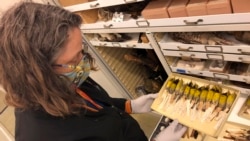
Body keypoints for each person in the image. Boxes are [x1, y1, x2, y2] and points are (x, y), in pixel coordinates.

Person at [0, 2, 187, 141]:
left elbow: (96, 102)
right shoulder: (43, 134)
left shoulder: (66, 78)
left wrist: (130, 106)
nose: (83, 63)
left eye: (82, 51)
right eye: (74, 59)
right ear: (38, 73)